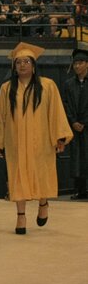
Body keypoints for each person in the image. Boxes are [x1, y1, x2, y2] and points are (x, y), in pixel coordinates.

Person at [0, 43, 72, 235]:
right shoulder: (6, 89)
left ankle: (43, 203)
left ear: (34, 65)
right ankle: (21, 216)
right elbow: (0, 117)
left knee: (40, 174)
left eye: (26, 61)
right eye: (18, 62)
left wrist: (60, 137)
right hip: (15, 142)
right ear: (14, 67)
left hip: (41, 140)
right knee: (17, 177)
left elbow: (56, 112)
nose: (22, 65)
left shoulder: (48, 86)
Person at [62, 49, 88, 199]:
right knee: (77, 158)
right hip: (74, 127)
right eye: (75, 63)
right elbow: (65, 104)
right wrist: (73, 121)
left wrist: (84, 122)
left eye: (80, 63)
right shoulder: (69, 84)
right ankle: (79, 190)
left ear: (87, 64)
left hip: (87, 126)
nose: (77, 66)